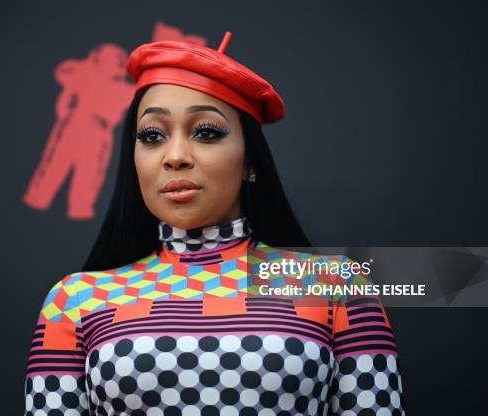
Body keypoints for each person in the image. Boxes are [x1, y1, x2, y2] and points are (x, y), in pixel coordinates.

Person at [23, 32, 405, 416]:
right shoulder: (75, 301)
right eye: (152, 135)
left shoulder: (336, 287)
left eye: (206, 132)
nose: (174, 156)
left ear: (251, 160)